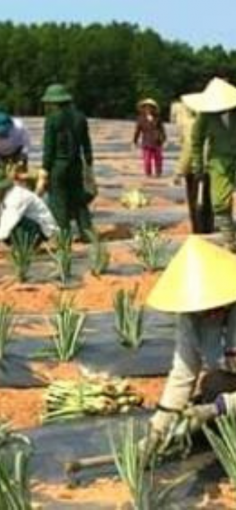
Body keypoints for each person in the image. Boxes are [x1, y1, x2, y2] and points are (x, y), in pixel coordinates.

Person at [142, 236, 236, 457]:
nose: (202, 314)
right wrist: (157, 428)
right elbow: (183, 373)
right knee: (212, 384)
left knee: (216, 399)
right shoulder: (191, 319)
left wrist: (219, 408)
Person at [37, 83, 96, 242]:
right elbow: (86, 144)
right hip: (76, 165)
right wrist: (89, 164)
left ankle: (64, 237)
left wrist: (45, 168)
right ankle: (87, 233)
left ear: (53, 102)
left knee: (59, 202)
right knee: (79, 201)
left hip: (58, 166)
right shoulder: (80, 117)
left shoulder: (52, 119)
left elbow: (49, 148)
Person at [184, 77, 236, 250]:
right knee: (219, 203)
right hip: (218, 162)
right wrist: (197, 166)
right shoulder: (206, 115)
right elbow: (196, 140)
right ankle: (230, 241)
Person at [0, 167, 58, 248]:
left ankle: (26, 248)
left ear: (0, 187)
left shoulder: (16, 197)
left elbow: (5, 230)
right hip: (21, 226)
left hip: (43, 230)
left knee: (15, 228)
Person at [171, 99, 214, 234]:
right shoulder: (209, 121)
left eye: (175, 114)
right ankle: (208, 230)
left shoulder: (190, 124)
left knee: (196, 202)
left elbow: (189, 149)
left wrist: (179, 171)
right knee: (209, 201)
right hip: (212, 166)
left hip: (197, 168)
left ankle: (199, 232)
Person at [133, 98, 167, 178]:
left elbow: (161, 129)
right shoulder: (141, 119)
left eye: (150, 107)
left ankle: (158, 172)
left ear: (153, 109)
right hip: (146, 142)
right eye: (146, 107)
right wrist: (135, 141)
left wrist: (164, 139)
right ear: (143, 109)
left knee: (158, 159)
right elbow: (137, 130)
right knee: (147, 160)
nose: (148, 109)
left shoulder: (157, 118)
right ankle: (148, 173)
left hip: (157, 141)